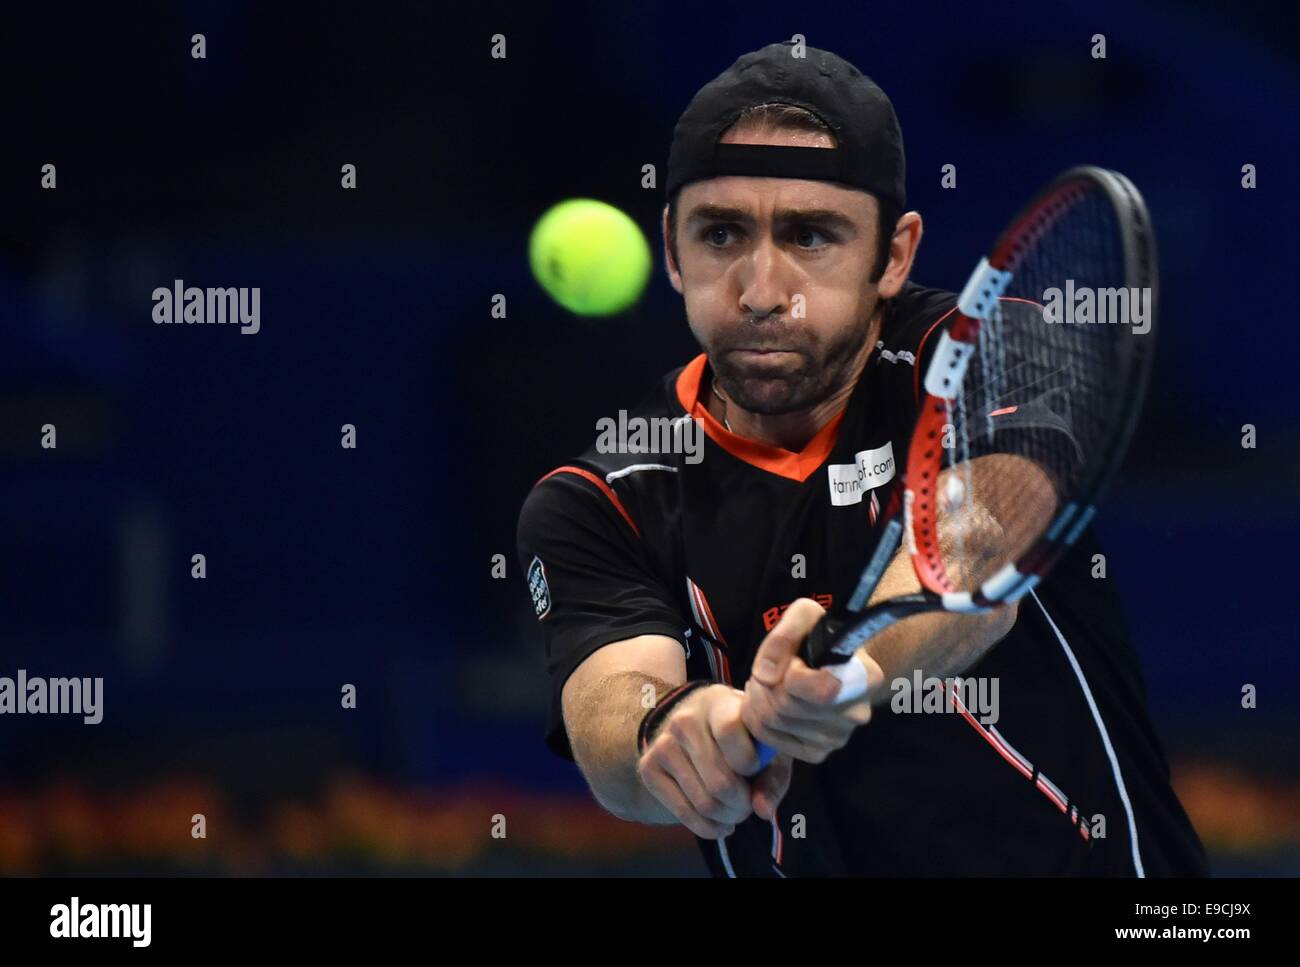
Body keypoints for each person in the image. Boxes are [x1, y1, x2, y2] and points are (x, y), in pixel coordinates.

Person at [517, 40, 1206, 876]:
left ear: (895, 255)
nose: (762, 289)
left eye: (811, 236)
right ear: (670, 246)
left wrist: (857, 669)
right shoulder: (599, 497)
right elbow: (607, 708)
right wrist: (671, 727)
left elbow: (974, 556)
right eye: (721, 232)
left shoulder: (987, 355)